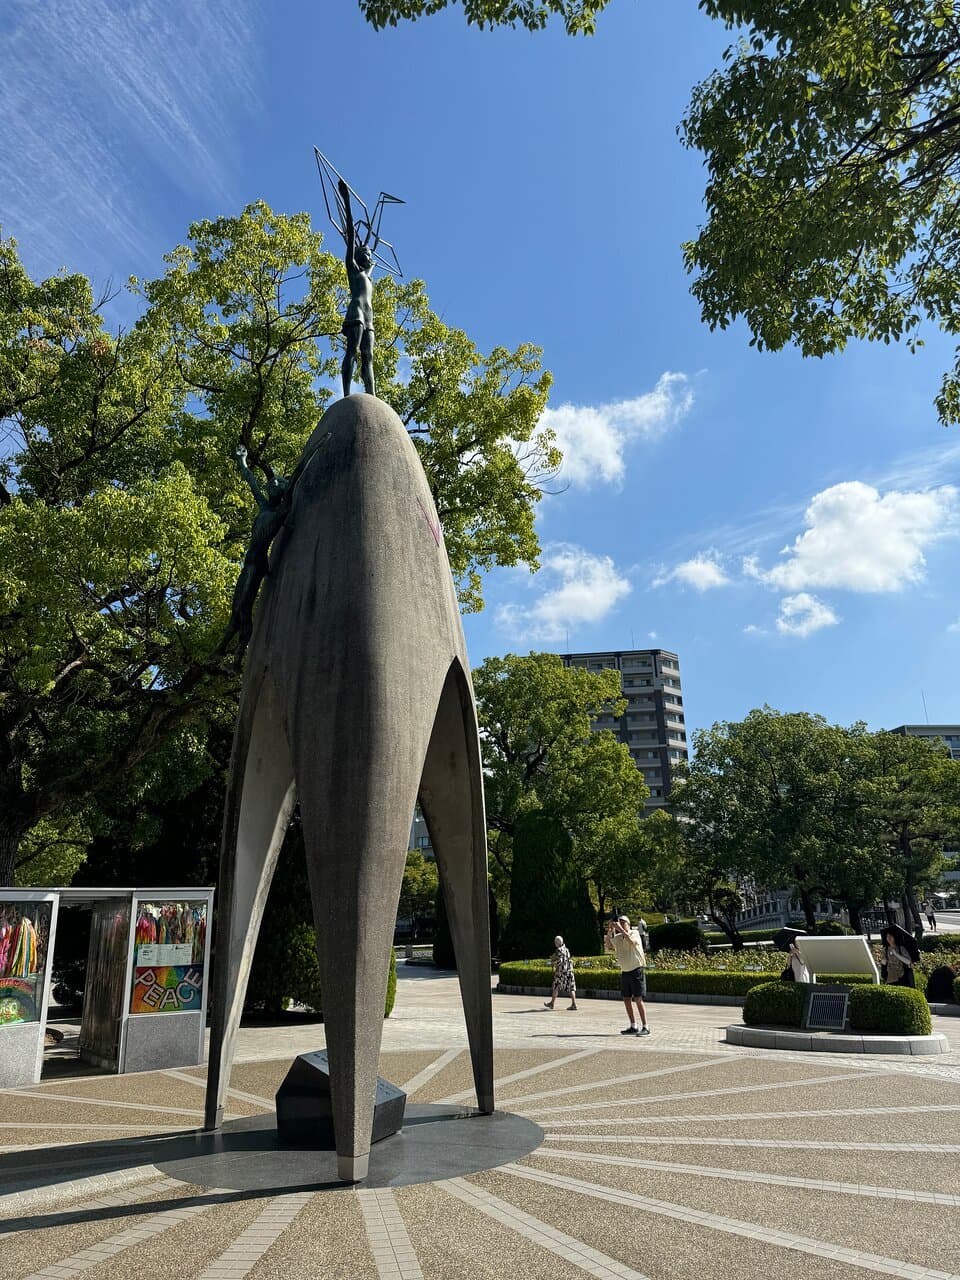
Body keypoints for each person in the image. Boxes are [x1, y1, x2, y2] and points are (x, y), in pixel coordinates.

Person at [338, 177, 376, 398]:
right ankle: (346, 396)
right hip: (357, 312)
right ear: (358, 256)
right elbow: (352, 234)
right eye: (366, 253)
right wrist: (347, 201)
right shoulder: (352, 267)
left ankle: (372, 398)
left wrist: (372, 266)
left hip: (370, 316)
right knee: (351, 351)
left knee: (368, 357)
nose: (369, 255)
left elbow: (370, 269)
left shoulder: (368, 276)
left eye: (370, 254)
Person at [604, 914, 650, 1036]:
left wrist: (621, 929)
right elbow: (608, 946)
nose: (621, 923)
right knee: (626, 999)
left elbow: (631, 941)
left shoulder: (634, 933)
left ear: (628, 924)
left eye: (623, 922)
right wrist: (610, 931)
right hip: (625, 971)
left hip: (636, 969)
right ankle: (633, 1025)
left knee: (638, 999)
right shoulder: (618, 937)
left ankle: (646, 1026)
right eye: (619, 922)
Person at [544, 935, 577, 1011]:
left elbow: (560, 961)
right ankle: (574, 1004)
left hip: (561, 972)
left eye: (555, 942)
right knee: (571, 987)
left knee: (556, 986)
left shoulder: (559, 950)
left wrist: (554, 963)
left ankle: (552, 1003)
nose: (555, 943)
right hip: (569, 971)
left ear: (557, 943)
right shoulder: (566, 949)